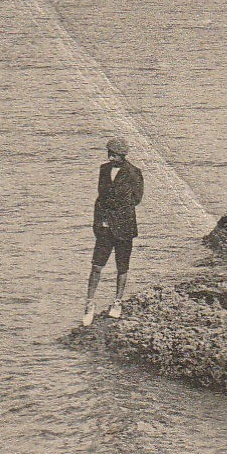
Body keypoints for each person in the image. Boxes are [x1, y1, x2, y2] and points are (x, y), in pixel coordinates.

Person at [82, 137, 145, 326]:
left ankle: (117, 302)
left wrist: (118, 212)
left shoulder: (134, 173)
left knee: (122, 267)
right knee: (96, 266)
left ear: (123, 156)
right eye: (109, 153)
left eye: (115, 155)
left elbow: (137, 198)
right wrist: (100, 223)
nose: (110, 158)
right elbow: (100, 197)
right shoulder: (104, 170)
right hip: (104, 228)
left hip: (124, 228)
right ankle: (89, 303)